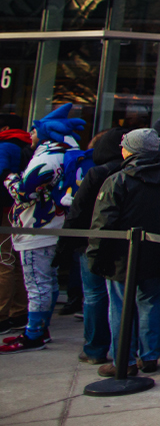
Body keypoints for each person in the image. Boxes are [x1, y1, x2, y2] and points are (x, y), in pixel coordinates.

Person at [86, 128, 160, 375]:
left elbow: (103, 224)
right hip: (155, 252)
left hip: (121, 255)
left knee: (121, 307)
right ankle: (149, 355)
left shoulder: (118, 180)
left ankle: (125, 359)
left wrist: (95, 255)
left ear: (130, 151)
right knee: (149, 302)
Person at [0, 104, 86, 354]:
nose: (30, 134)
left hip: (37, 228)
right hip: (49, 226)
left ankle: (34, 334)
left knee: (38, 283)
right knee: (44, 282)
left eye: (34, 129)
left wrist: (7, 175)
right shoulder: (63, 152)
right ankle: (38, 330)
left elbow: (24, 193)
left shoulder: (48, 156)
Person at [65, 127, 127, 364]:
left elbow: (78, 210)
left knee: (94, 295)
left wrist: (67, 240)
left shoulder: (98, 173)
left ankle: (95, 348)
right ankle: (116, 349)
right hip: (116, 241)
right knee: (115, 297)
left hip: (92, 239)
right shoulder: (125, 171)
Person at [0, 114, 31, 335]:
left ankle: (2, 315)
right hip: (16, 210)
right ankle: (19, 310)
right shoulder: (24, 146)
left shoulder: (6, 146)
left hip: (4, 210)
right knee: (14, 260)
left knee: (4, 263)